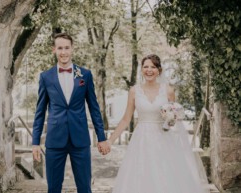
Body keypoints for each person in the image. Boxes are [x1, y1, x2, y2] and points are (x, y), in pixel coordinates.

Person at [104, 54, 209, 193]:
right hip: (141, 140)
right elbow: (125, 119)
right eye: (146, 67)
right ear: (141, 70)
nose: (149, 70)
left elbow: (174, 119)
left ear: (159, 70)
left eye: (153, 67)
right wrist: (110, 140)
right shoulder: (134, 91)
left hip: (163, 138)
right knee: (140, 176)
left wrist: (171, 118)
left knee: (165, 176)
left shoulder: (168, 90)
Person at [32, 32, 110, 193]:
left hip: (80, 140)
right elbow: (40, 112)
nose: (63, 52)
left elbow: (94, 109)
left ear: (72, 49)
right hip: (54, 140)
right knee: (53, 188)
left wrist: (101, 138)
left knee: (84, 188)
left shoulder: (85, 75)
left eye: (67, 48)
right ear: (54, 50)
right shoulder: (45, 77)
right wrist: (35, 142)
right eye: (60, 48)